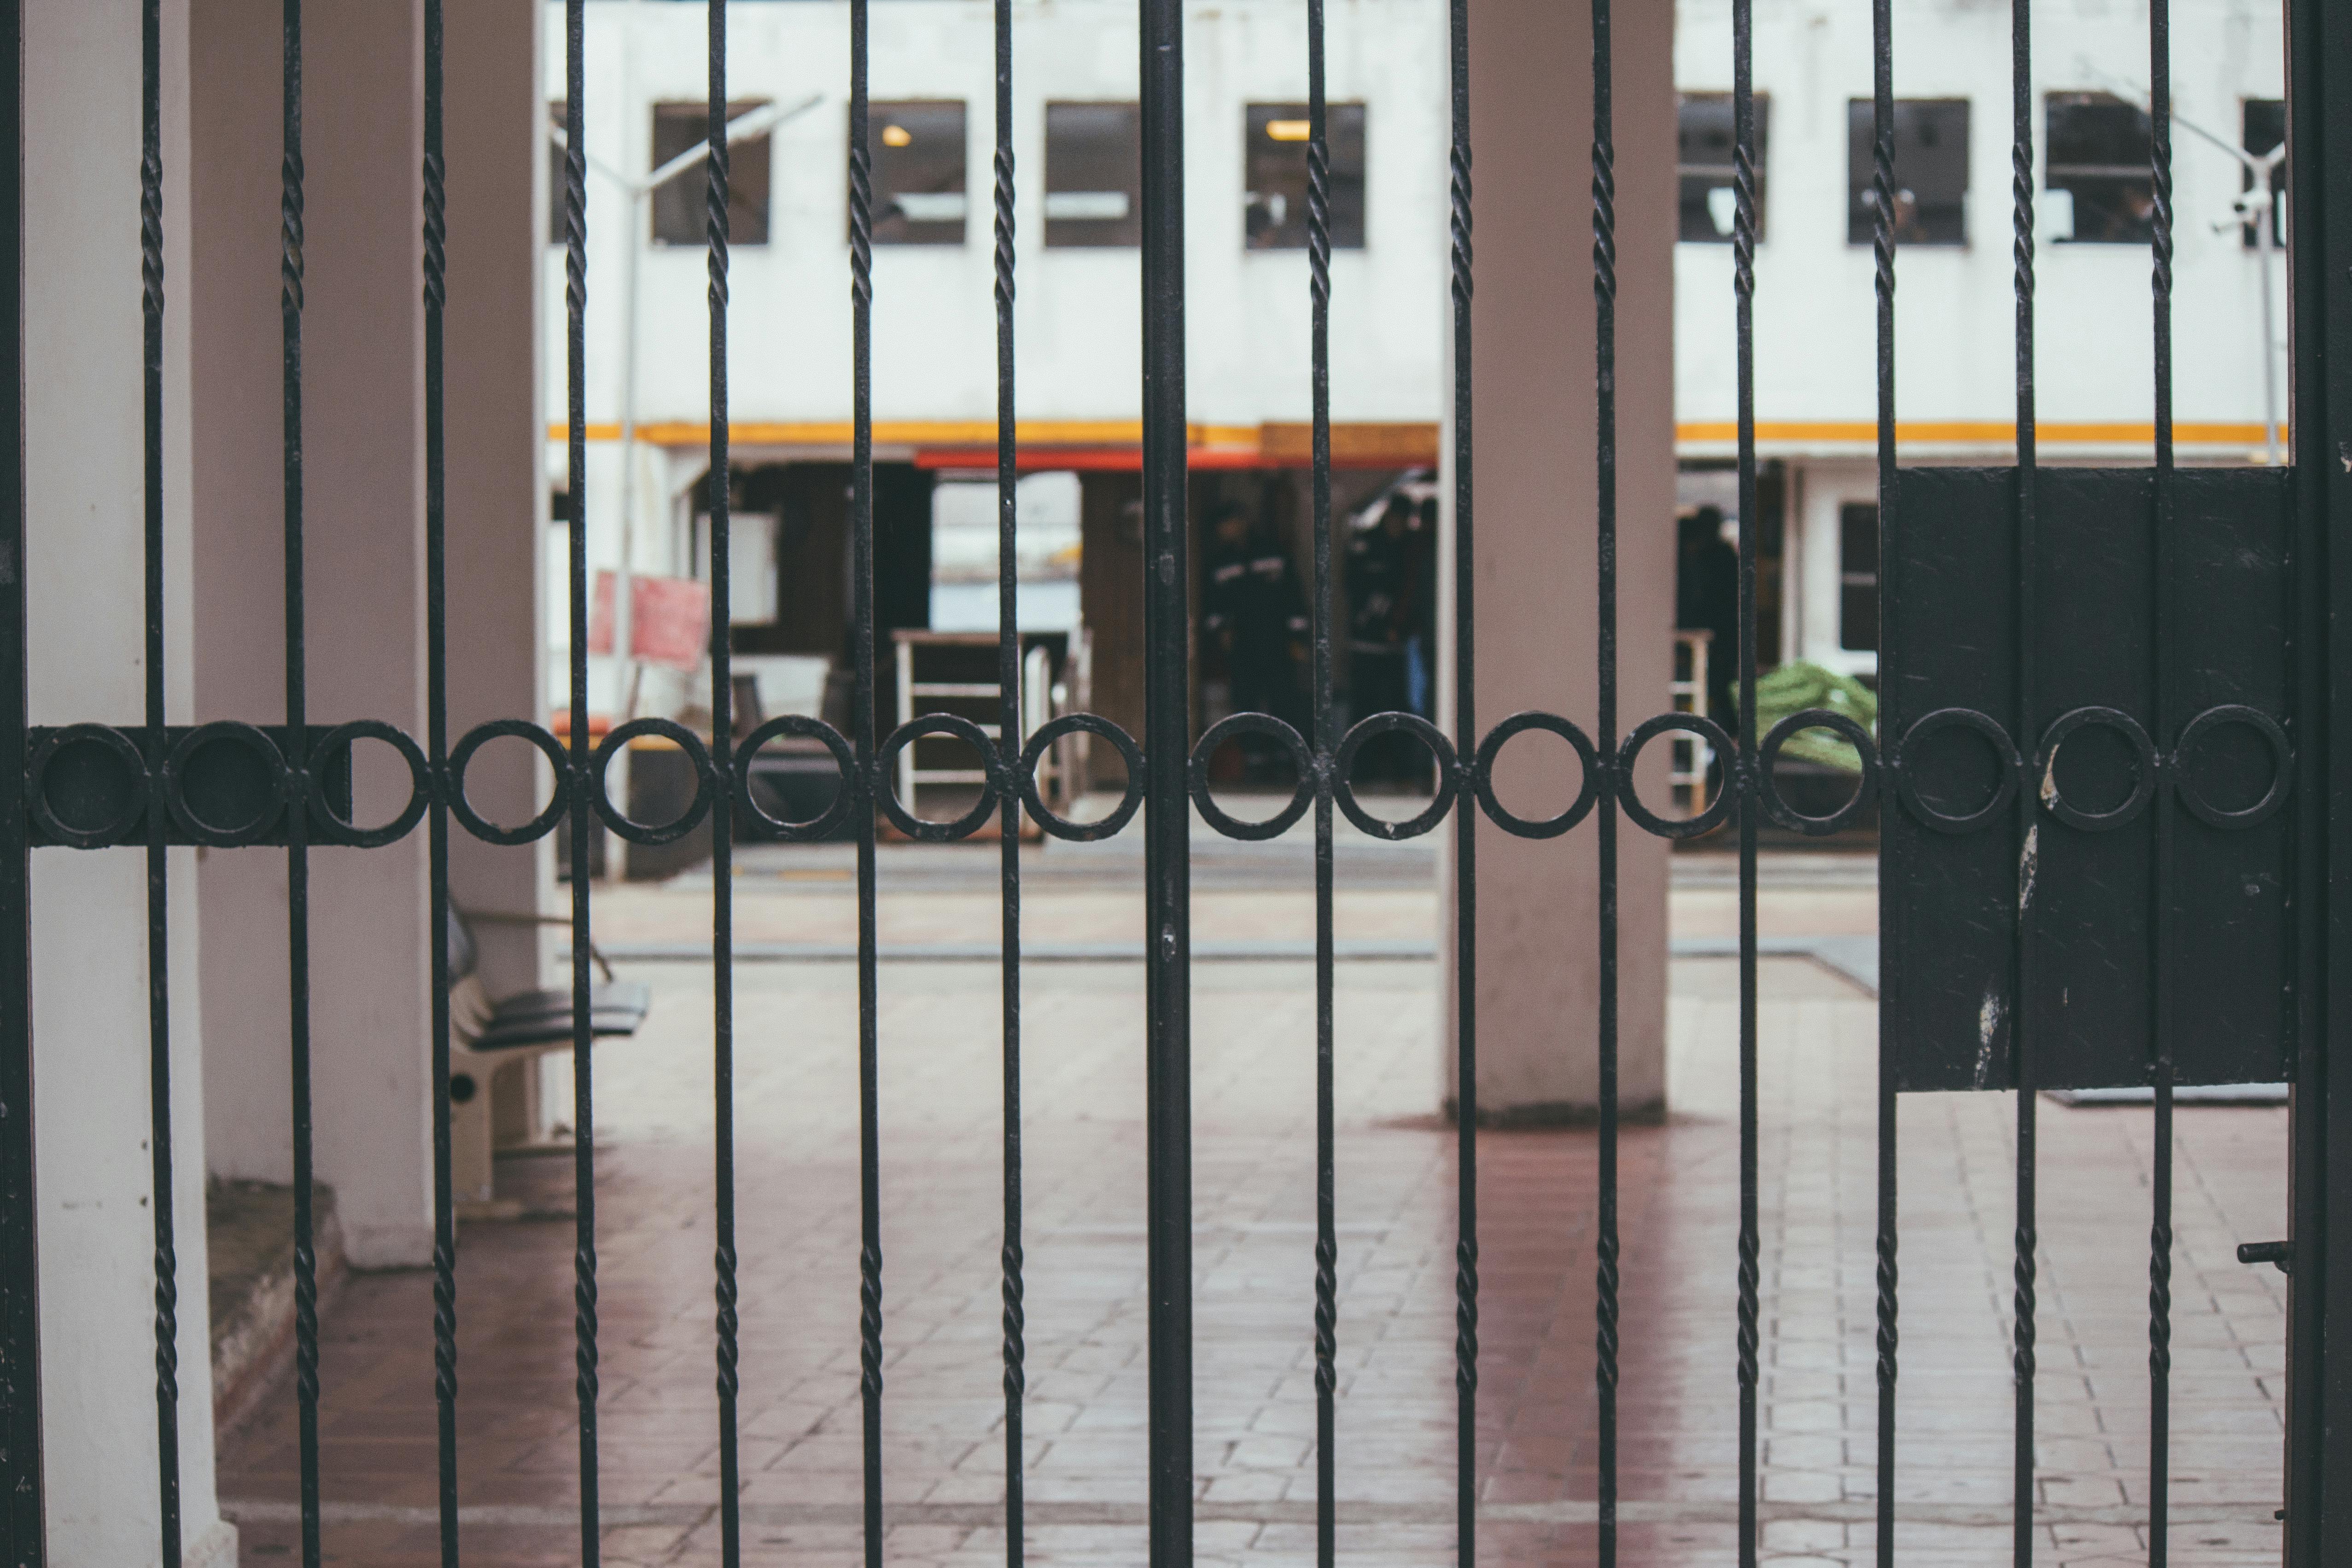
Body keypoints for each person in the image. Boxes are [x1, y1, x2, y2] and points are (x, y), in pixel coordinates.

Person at [1202, 501, 1309, 781]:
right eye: (1223, 526)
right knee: (1246, 702)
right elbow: (1211, 608)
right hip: (1242, 647)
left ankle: (1288, 760)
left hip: (1277, 644)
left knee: (1283, 701)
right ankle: (1253, 762)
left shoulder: (1272, 552)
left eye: (1232, 523)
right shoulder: (1219, 562)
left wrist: (1299, 638)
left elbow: (1294, 598)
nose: (1228, 530)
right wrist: (1219, 635)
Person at [1676, 505, 1739, 730]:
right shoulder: (1720, 555)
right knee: (1716, 687)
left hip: (1718, 632)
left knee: (1717, 686)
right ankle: (1725, 732)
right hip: (1720, 631)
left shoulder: (1716, 556)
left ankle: (1725, 733)